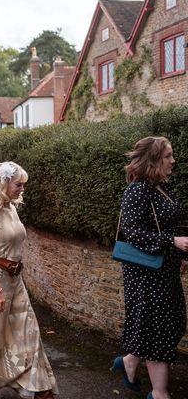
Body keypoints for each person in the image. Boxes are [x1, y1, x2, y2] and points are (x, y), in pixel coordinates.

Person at [0, 161, 57, 399]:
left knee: (29, 331)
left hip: (16, 282)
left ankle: (36, 386)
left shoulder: (11, 207)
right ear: (5, 183)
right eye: (19, 184)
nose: (22, 189)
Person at [111, 136, 188, 399]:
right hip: (145, 274)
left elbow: (166, 225)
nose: (173, 161)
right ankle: (159, 394)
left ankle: (131, 361)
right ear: (154, 160)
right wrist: (172, 241)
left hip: (165, 270)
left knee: (172, 323)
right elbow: (130, 232)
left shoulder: (161, 188)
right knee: (158, 330)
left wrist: (179, 254)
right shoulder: (138, 190)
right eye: (168, 156)